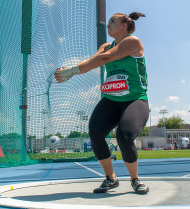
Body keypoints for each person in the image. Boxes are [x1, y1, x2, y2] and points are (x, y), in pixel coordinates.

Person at [54, 12, 149, 194]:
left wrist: (74, 70)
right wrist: (71, 71)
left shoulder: (132, 42)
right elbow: (94, 61)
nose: (108, 25)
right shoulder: (106, 45)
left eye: (112, 21)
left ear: (124, 26)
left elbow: (106, 58)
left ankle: (135, 179)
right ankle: (111, 178)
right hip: (111, 100)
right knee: (95, 134)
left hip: (135, 99)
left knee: (124, 135)